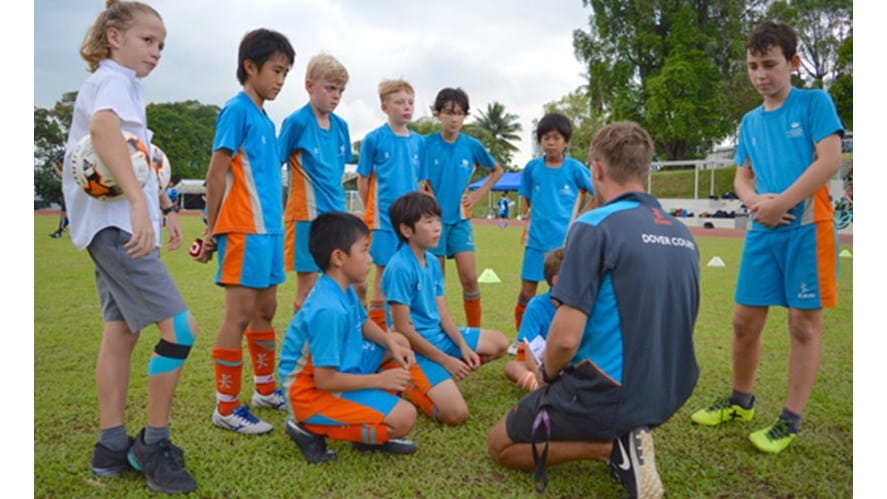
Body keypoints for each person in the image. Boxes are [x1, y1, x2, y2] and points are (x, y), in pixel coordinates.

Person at [488, 122, 700, 499]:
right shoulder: (681, 231)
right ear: (645, 170)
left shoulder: (592, 225)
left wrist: (550, 375)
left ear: (597, 170)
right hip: (670, 387)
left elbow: (565, 339)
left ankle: (611, 449)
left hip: (610, 388)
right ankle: (628, 433)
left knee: (499, 445)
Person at [61, 1, 197, 493]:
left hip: (111, 226)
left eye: (161, 44)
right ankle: (153, 443)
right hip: (119, 227)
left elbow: (136, 156)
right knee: (181, 329)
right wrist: (141, 206)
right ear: (114, 36)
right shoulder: (114, 78)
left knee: (120, 335)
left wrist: (163, 203)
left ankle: (111, 447)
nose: (157, 51)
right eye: (148, 40)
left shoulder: (123, 85)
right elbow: (103, 132)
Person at [689, 21, 844, 454]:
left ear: (793, 63)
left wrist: (781, 204)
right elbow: (742, 175)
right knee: (743, 321)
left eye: (770, 64)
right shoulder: (749, 121)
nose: (761, 74)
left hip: (808, 228)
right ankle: (740, 401)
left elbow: (829, 161)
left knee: (803, 325)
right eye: (753, 66)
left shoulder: (814, 102)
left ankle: (789, 421)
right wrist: (755, 201)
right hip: (763, 230)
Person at [197, 28, 295, 434]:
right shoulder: (236, 110)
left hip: (269, 232)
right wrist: (210, 230)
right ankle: (226, 406)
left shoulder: (264, 117)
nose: (280, 79)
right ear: (250, 67)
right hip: (242, 229)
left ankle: (266, 389)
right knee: (237, 315)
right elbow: (216, 174)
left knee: (266, 311)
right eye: (276, 70)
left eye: (286, 72)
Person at [279, 211, 419, 463]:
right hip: (309, 393)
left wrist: (391, 345)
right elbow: (325, 380)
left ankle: (368, 416)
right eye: (364, 250)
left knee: (399, 342)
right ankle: (306, 428)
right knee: (404, 418)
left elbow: (363, 322)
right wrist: (380, 380)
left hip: (338, 370)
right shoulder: (328, 309)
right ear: (339, 258)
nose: (371, 258)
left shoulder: (339, 287)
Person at [382, 192, 509, 425]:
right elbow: (403, 329)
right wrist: (444, 360)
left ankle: (449, 370)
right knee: (454, 415)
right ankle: (412, 383)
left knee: (500, 342)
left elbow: (442, 312)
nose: (437, 228)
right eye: (428, 222)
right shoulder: (399, 267)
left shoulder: (431, 261)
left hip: (439, 338)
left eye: (438, 221)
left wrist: (462, 345)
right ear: (407, 230)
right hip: (416, 348)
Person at [278, 53, 353, 314]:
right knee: (307, 287)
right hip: (305, 216)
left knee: (343, 282)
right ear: (310, 86)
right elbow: (274, 164)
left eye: (340, 90)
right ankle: (302, 352)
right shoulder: (296, 122)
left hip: (337, 216)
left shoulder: (342, 126)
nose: (335, 95)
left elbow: (338, 170)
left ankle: (331, 342)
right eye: (330, 88)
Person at [423, 87, 504, 328]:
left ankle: (475, 333)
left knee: (469, 279)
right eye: (448, 112)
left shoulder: (472, 145)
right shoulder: (426, 144)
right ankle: (435, 332)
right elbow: (416, 176)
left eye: (459, 113)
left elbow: (497, 170)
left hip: (460, 221)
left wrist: (477, 195)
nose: (454, 118)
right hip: (432, 222)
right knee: (436, 283)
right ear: (438, 114)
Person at [514, 113, 594, 331]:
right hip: (536, 241)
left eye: (556, 138)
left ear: (566, 141)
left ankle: (560, 336)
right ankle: (522, 338)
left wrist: (583, 216)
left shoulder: (576, 169)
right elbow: (528, 198)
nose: (550, 143)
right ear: (540, 141)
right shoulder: (532, 168)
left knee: (563, 295)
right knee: (526, 293)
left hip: (564, 245)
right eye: (546, 138)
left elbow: (599, 193)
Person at [357, 79, 427, 330]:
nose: (406, 107)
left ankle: (406, 331)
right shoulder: (374, 139)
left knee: (409, 272)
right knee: (383, 276)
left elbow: (421, 184)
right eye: (399, 102)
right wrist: (370, 211)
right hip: (383, 220)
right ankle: (378, 333)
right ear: (385, 107)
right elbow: (363, 179)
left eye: (410, 102)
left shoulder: (420, 142)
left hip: (411, 222)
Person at [503, 247, 563, 392]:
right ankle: (539, 389)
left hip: (568, 360)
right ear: (556, 280)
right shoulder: (536, 306)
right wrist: (539, 376)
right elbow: (529, 349)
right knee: (512, 367)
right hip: (541, 362)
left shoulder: (582, 303)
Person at [50, 161, 70, 238]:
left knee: (64, 214)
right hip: (66, 194)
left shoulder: (68, 170)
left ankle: (59, 231)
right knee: (67, 215)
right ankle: (61, 230)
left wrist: (55, 167)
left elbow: (61, 175)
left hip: (68, 195)